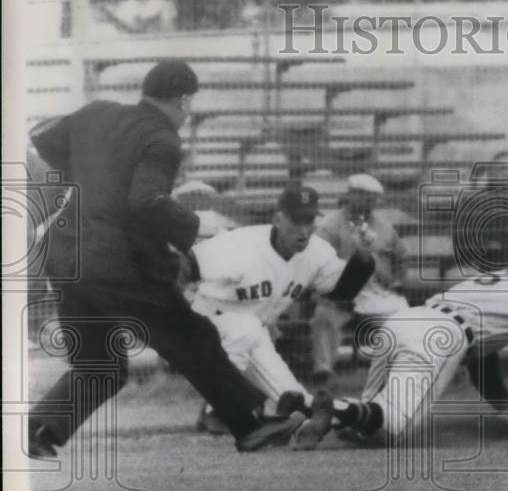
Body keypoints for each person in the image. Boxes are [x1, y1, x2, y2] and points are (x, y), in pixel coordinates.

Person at [26, 61, 306, 457]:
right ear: (184, 100)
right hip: (118, 262)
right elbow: (146, 202)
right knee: (193, 336)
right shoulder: (162, 138)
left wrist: (88, 173)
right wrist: (197, 224)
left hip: (67, 257)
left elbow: (42, 136)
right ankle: (250, 424)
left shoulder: (97, 112)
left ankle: (36, 432)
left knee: (99, 367)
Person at [291, 264, 508, 449]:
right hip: (440, 335)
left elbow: (483, 361)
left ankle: (324, 413)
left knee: (369, 429)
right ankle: (327, 405)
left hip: (404, 320)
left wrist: (506, 406)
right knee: (393, 429)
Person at [187, 182, 376, 433]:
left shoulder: (317, 253)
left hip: (250, 335)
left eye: (309, 221)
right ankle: (218, 410)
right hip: (202, 328)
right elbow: (183, 266)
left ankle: (359, 417)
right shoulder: (241, 244)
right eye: (296, 221)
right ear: (278, 219)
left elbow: (341, 292)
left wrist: (362, 256)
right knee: (245, 327)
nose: (304, 230)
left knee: (295, 400)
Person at [311, 174, 408, 382]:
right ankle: (323, 373)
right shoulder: (329, 226)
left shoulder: (384, 227)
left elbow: (400, 257)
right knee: (323, 316)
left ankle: (402, 373)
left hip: (378, 293)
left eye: (373, 198)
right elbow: (317, 262)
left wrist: (398, 281)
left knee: (402, 321)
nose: (370, 202)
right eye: (365, 196)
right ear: (351, 195)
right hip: (340, 294)